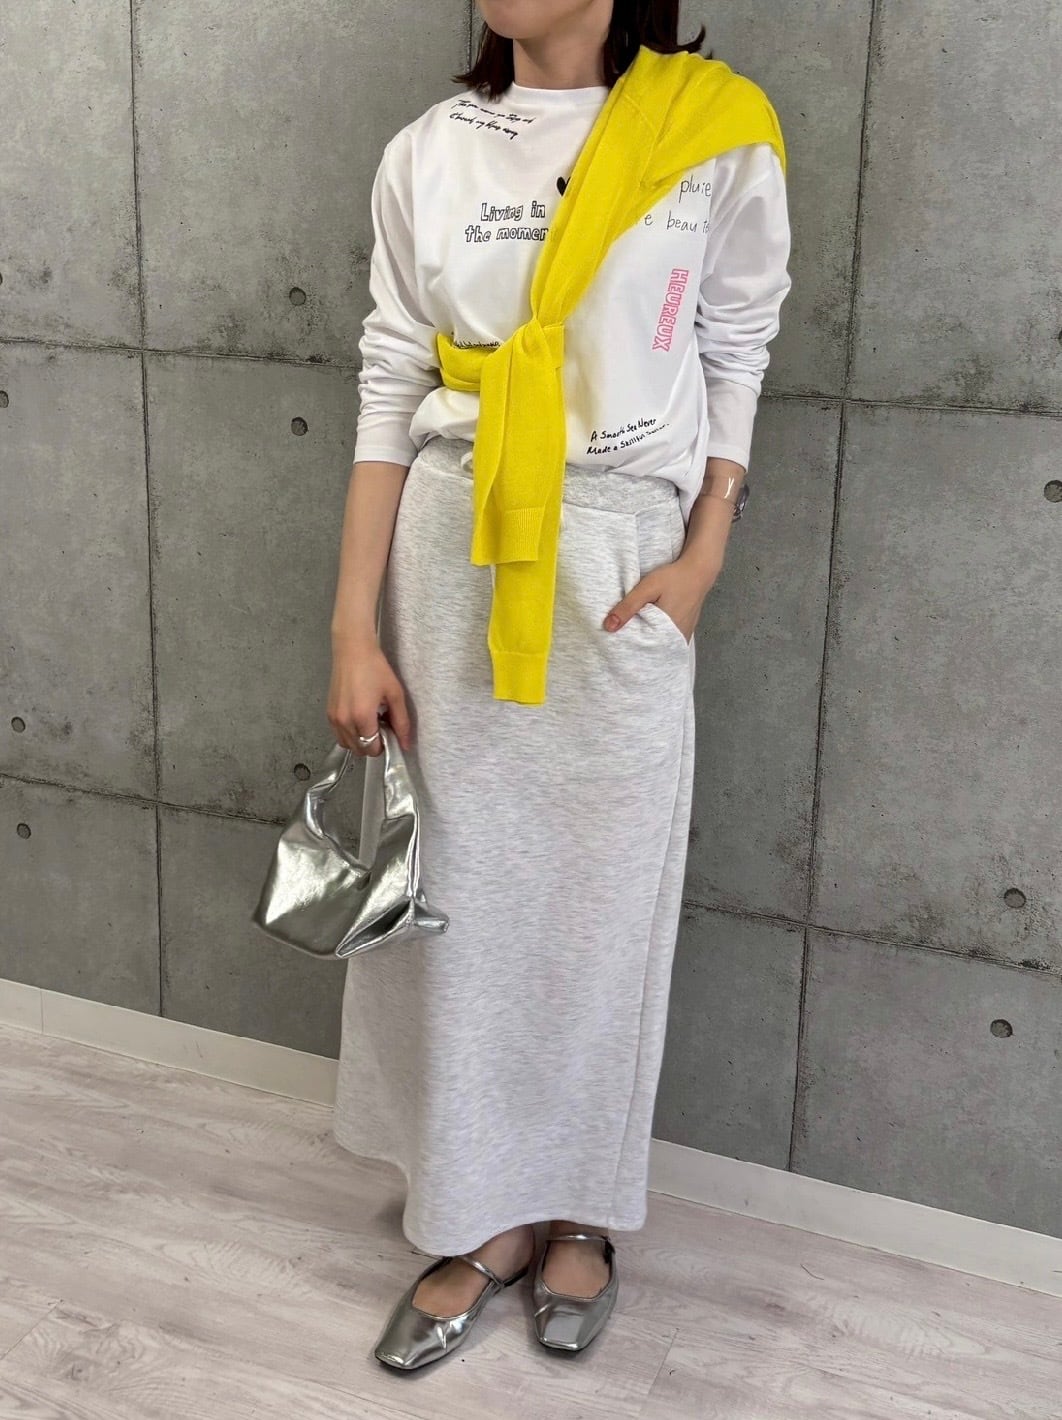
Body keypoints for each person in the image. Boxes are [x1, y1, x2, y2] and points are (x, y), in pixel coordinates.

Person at [325, 0, 792, 1372]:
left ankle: (582, 1202)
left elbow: (735, 346)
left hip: (617, 557)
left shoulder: (712, 134)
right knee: (460, 912)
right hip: (451, 548)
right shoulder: (430, 148)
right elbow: (389, 379)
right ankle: (481, 1216)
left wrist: (702, 555)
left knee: (601, 904)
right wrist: (352, 626)